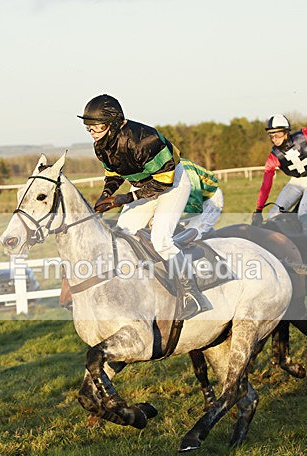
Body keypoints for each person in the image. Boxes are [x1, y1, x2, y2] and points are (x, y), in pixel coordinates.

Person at [78, 94, 210, 319]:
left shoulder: (144, 139)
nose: (92, 133)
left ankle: (193, 295)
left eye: (96, 128)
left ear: (114, 124)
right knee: (121, 236)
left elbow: (163, 182)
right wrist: (106, 195)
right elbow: (113, 175)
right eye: (88, 128)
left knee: (161, 240)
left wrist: (124, 199)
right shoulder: (101, 146)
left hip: (173, 183)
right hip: (143, 185)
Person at [179, 158, 222, 239]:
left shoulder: (184, 169)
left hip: (209, 200)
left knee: (188, 238)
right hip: (187, 202)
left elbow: (195, 206)